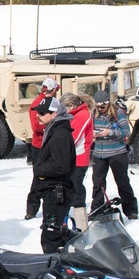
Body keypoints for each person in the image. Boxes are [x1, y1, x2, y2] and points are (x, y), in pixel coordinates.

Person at [32, 96, 76, 254]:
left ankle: (55, 271)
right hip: (52, 191)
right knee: (53, 235)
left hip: (57, 193)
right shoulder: (54, 130)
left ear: (55, 114)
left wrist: (40, 169)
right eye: (38, 112)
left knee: (51, 238)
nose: (38, 115)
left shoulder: (60, 135)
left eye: (43, 113)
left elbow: (61, 166)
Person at [90, 90, 138, 219]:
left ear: (108, 104)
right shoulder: (93, 114)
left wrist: (109, 132)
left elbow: (126, 132)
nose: (101, 109)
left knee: (122, 182)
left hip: (117, 153)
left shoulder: (118, 112)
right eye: (98, 106)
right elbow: (88, 129)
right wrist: (93, 134)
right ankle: (96, 209)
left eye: (103, 106)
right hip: (99, 154)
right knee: (98, 183)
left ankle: (131, 209)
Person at [26, 77, 60, 218]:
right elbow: (36, 127)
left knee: (54, 177)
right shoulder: (37, 104)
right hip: (40, 146)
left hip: (51, 145)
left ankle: (52, 206)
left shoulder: (54, 103)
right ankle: (32, 209)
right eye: (55, 90)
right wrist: (53, 126)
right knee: (39, 178)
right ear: (51, 91)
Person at [60, 92, 94, 231]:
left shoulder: (83, 115)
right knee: (70, 188)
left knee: (77, 190)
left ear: (72, 105)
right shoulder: (74, 115)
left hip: (79, 159)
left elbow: (74, 137)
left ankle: (81, 225)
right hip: (71, 158)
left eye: (64, 108)